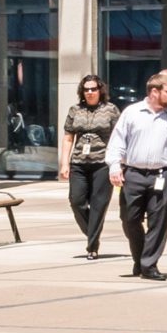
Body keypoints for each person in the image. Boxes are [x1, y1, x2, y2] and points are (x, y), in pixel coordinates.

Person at [105, 68, 167, 282]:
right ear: (154, 91)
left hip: (163, 176)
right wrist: (115, 167)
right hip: (133, 174)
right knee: (129, 219)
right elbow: (117, 143)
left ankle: (149, 264)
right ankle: (141, 257)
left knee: (159, 222)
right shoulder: (132, 113)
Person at [57, 74, 120, 259]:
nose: (90, 92)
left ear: (100, 90)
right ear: (82, 92)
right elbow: (68, 137)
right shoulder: (75, 110)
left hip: (102, 163)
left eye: (93, 89)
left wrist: (118, 163)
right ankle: (93, 234)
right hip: (79, 163)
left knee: (99, 205)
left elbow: (119, 138)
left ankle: (92, 245)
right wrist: (64, 163)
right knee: (76, 201)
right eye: (87, 89)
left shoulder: (111, 110)